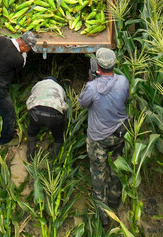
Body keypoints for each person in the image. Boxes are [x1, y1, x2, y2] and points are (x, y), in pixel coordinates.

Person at [78, 47, 130, 228]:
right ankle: (115, 204)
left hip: (98, 138)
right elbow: (125, 100)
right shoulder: (123, 81)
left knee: (98, 173)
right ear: (114, 64)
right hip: (120, 134)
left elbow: (82, 103)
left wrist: (92, 82)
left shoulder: (92, 88)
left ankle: (103, 214)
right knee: (116, 169)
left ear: (97, 68)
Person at [0, 31, 38, 145]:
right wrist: (24, 54)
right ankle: (5, 140)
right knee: (9, 114)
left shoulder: (1, 40)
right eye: (29, 49)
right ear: (25, 46)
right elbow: (22, 65)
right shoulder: (18, 58)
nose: (29, 51)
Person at [26, 76, 69, 159]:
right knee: (58, 136)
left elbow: (32, 95)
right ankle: (54, 158)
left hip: (36, 113)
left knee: (32, 132)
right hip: (54, 116)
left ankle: (30, 155)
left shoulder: (38, 84)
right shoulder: (59, 88)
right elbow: (64, 105)